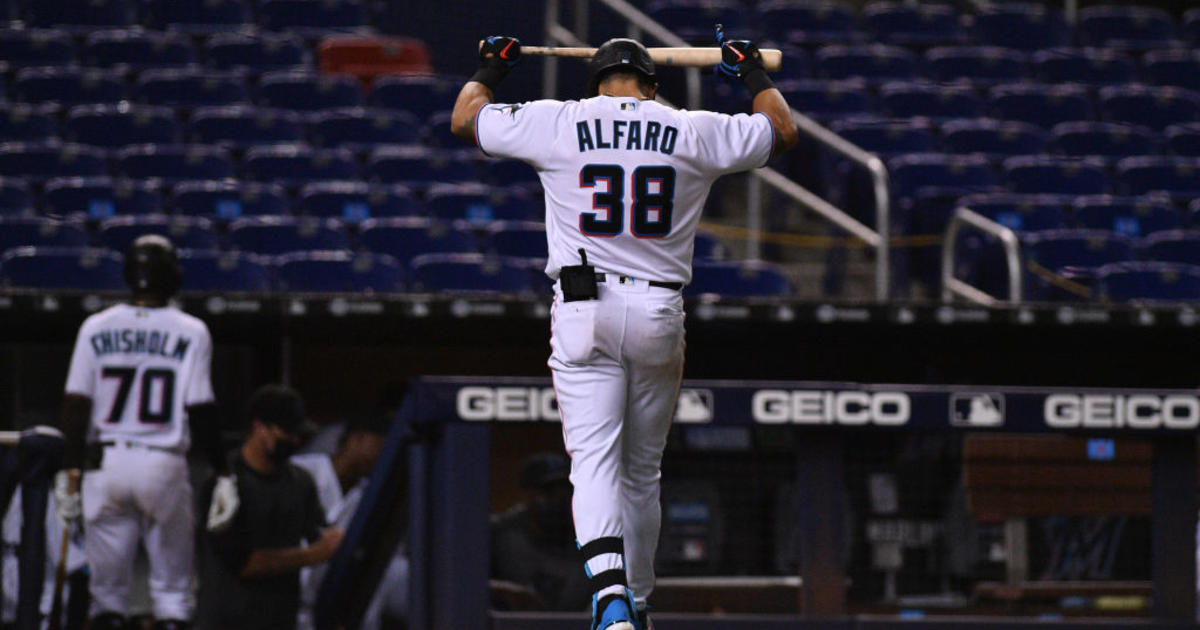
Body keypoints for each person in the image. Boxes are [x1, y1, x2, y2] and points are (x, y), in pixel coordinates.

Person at [450, 26, 798, 630]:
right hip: (661, 312)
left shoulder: (561, 119)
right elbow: (781, 129)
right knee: (642, 471)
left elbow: (464, 118)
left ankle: (609, 601)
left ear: (597, 84)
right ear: (651, 85)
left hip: (585, 308)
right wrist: (751, 75)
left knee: (594, 464)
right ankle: (637, 604)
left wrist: (491, 68)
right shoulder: (690, 126)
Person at [57, 234, 225, 630]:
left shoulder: (95, 325)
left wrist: (69, 469)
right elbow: (201, 408)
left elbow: (76, 405)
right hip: (163, 463)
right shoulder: (191, 329)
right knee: (171, 596)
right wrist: (223, 470)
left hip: (107, 463)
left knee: (107, 598)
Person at [195, 385, 343, 630]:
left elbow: (319, 534)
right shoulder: (224, 483)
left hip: (278, 620)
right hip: (227, 622)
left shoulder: (300, 482)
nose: (294, 440)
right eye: (286, 432)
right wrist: (311, 555)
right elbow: (242, 564)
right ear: (259, 427)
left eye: (299, 434)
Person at [292, 412, 404, 630]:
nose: (386, 455)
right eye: (382, 444)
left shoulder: (369, 495)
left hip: (322, 611)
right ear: (358, 438)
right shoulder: (299, 471)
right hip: (278, 605)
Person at [490, 452, 590, 611]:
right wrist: (503, 591)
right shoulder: (499, 534)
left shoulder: (591, 538)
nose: (559, 500)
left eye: (566, 491)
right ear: (525, 496)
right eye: (549, 491)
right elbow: (463, 583)